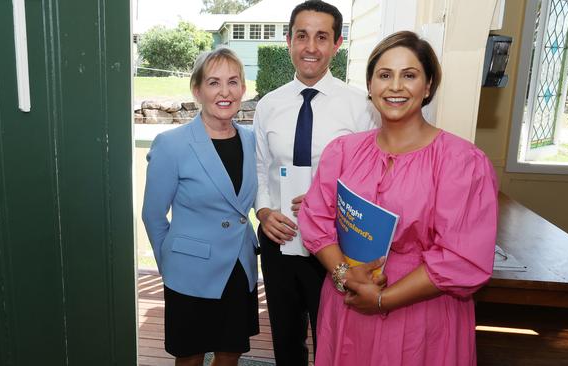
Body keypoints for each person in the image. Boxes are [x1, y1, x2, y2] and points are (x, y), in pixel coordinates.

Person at [298, 30, 499, 365]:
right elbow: (315, 219)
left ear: (429, 85)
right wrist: (344, 275)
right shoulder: (343, 151)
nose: (394, 87)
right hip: (349, 301)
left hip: (422, 312)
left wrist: (382, 300)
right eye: (384, 75)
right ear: (370, 84)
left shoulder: (462, 162)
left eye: (409, 75)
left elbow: (463, 256)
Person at [253, 1, 379, 364]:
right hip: (281, 238)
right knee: (286, 337)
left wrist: (328, 200)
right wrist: (263, 211)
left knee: (335, 337)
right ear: (288, 40)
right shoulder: (269, 105)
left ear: (337, 44)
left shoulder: (361, 107)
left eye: (322, 37)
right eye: (302, 36)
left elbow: (372, 180)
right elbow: (261, 168)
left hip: (336, 244)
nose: (311, 47)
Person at [142, 48, 259, 366]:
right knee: (190, 357)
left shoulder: (252, 142)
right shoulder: (172, 144)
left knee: (229, 354)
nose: (225, 92)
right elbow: (153, 215)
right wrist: (171, 263)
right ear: (197, 90)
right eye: (214, 82)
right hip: (189, 272)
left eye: (233, 82)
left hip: (239, 268)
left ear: (243, 89)